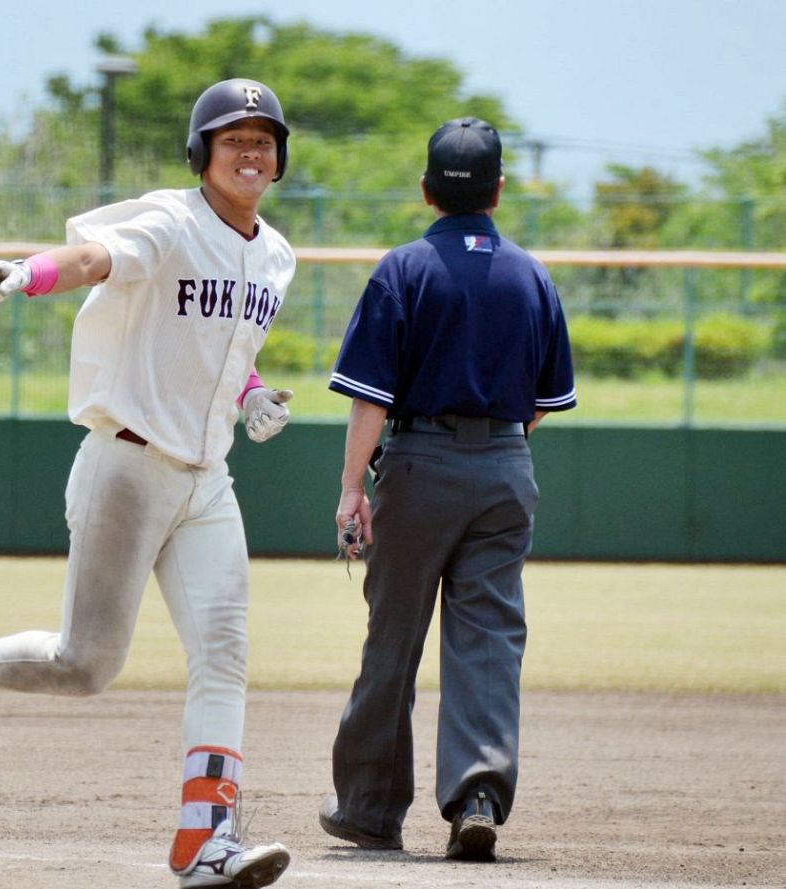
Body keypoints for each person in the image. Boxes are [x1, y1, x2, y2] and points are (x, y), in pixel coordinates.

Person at [0, 77, 295, 889]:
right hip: (129, 467)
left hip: (208, 481)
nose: (250, 149)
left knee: (223, 651)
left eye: (263, 138)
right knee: (85, 663)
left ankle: (203, 839)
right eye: (232, 137)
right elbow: (93, 257)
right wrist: (33, 272)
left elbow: (226, 349)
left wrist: (252, 397)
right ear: (201, 152)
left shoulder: (276, 255)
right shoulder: (168, 220)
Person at [318, 117, 576, 862]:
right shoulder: (531, 274)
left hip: (419, 462)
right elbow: (540, 402)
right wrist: (495, 452)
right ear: (497, 190)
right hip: (505, 464)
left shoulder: (403, 268)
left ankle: (369, 809)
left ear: (428, 189)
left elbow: (371, 398)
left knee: (393, 637)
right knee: (489, 639)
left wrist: (349, 488)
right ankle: (478, 797)